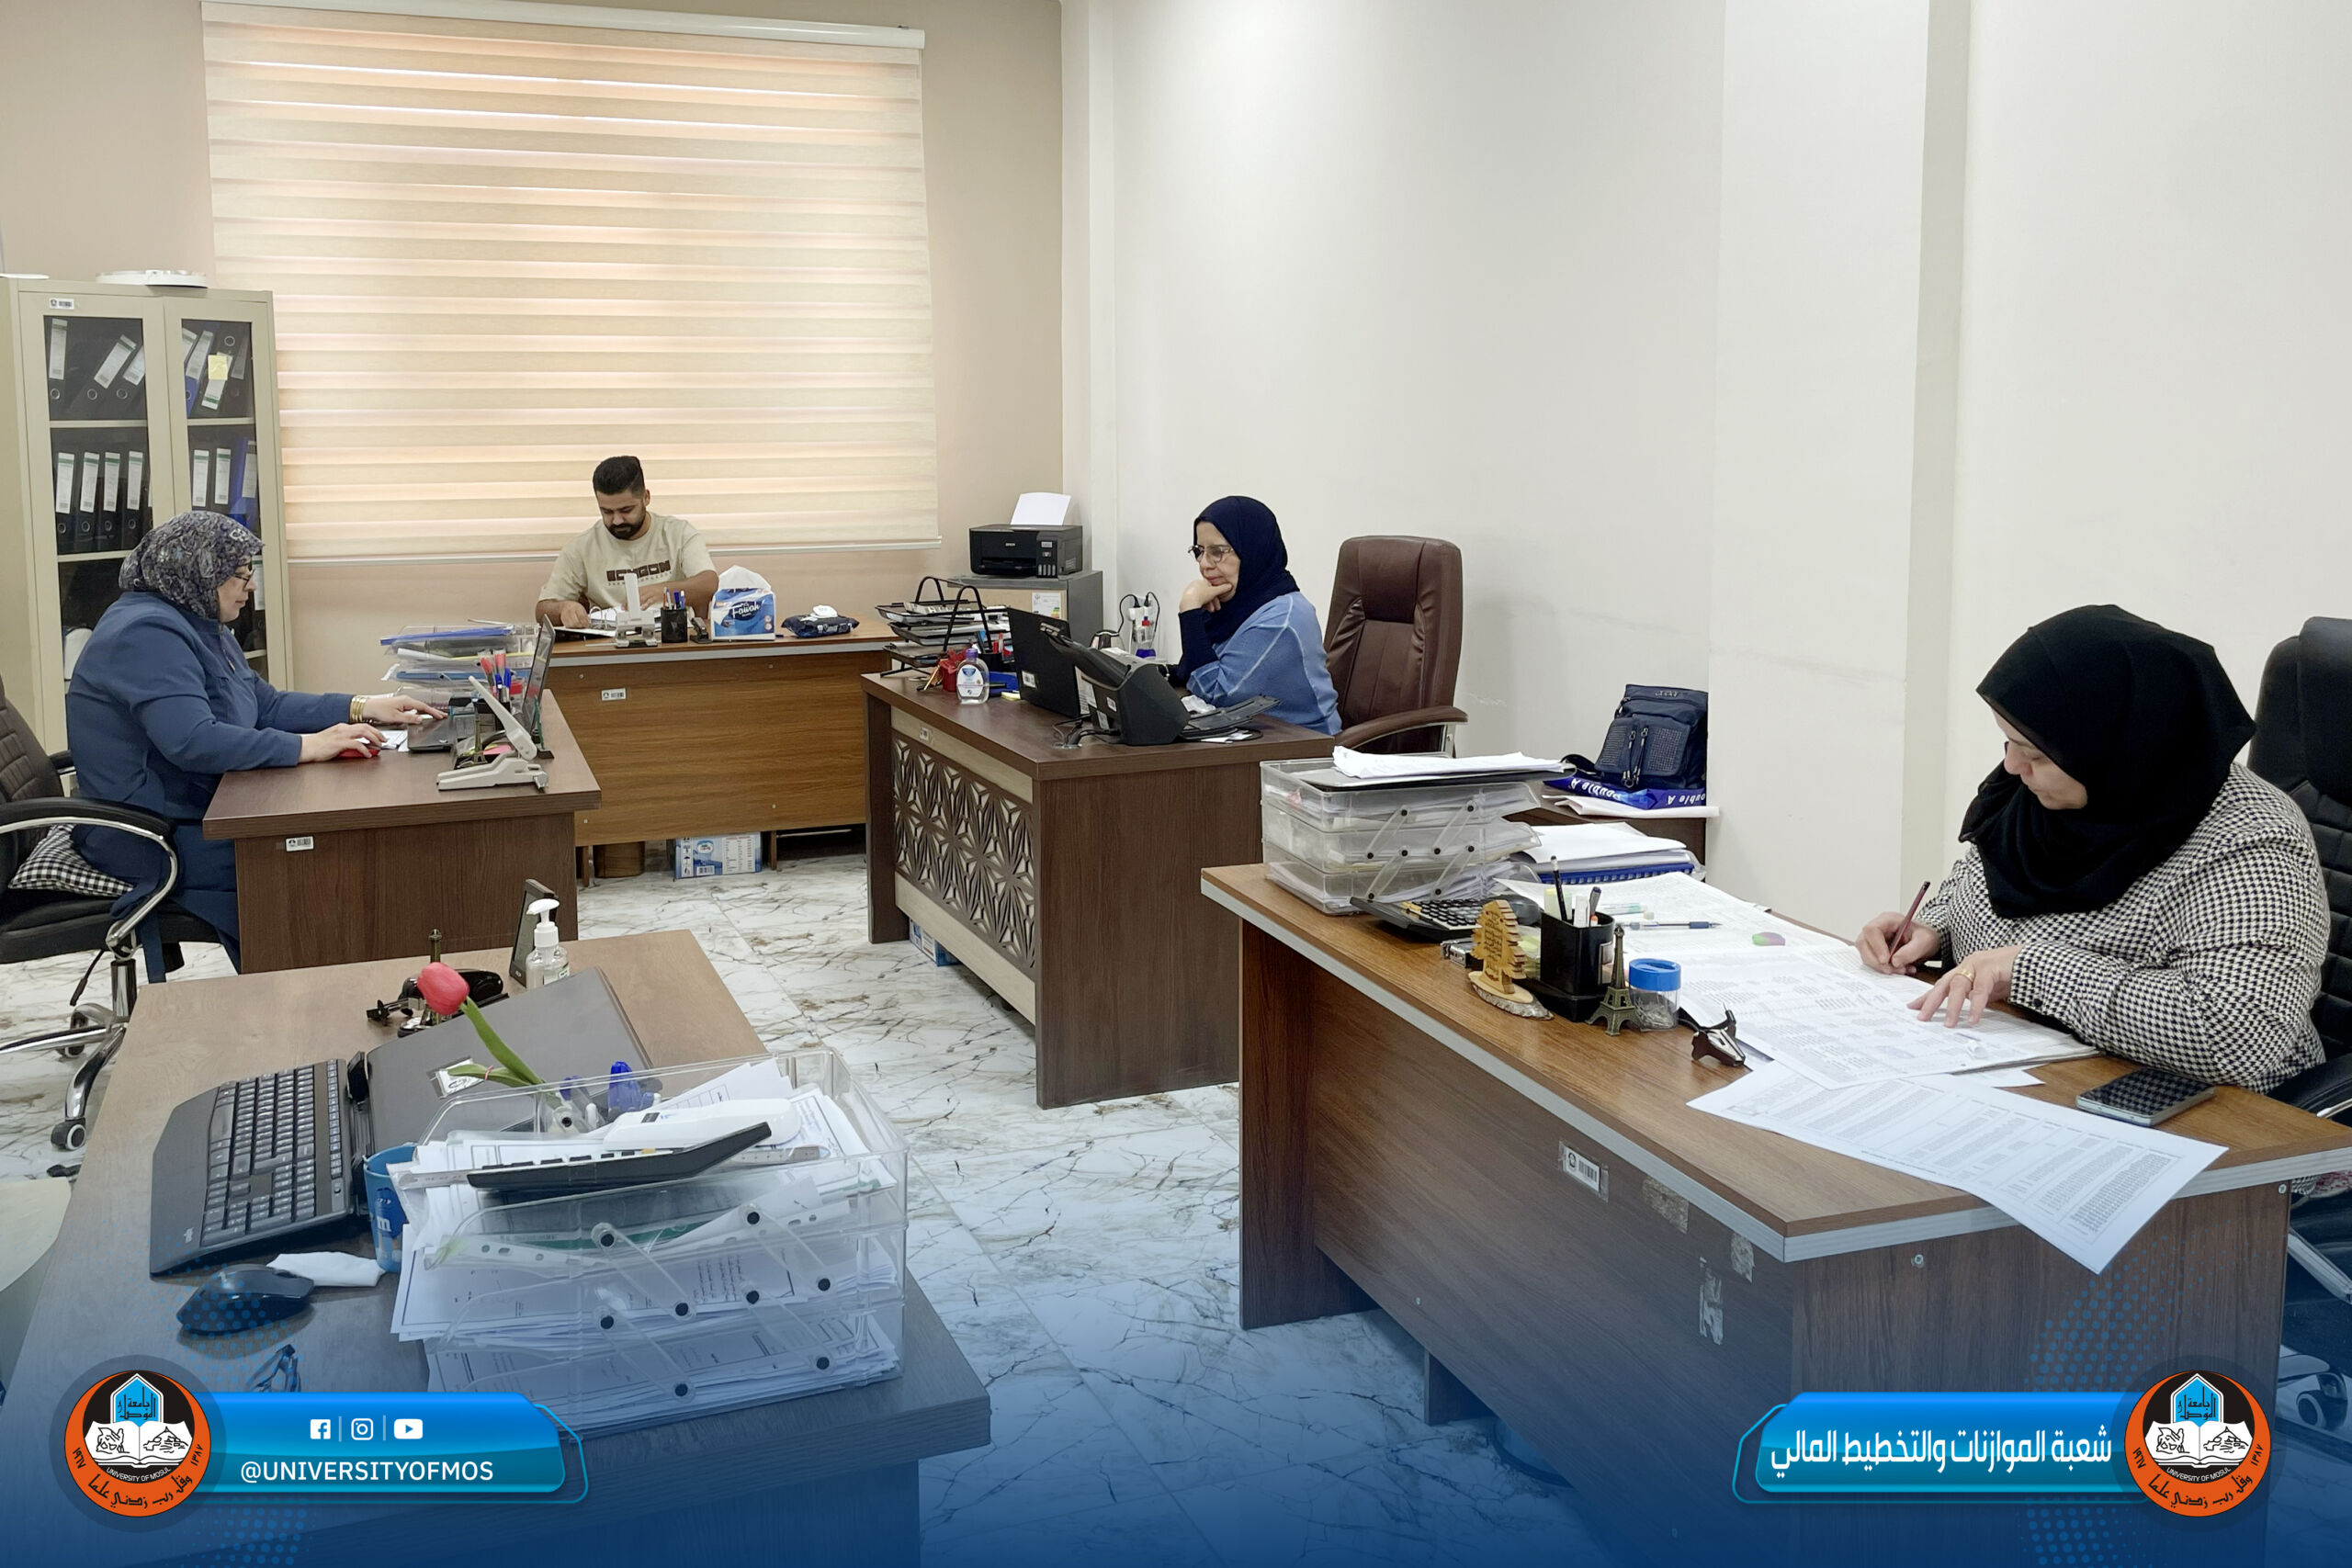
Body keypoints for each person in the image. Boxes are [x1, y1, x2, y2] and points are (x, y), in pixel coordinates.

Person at [1859, 604, 2328, 1090]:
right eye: (2008, 742)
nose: (2013, 766)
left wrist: (2031, 970)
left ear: (2120, 744)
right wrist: (1933, 929)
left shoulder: (2249, 838)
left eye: (2034, 752)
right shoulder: (2049, 788)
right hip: (2018, 1060)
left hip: (2197, 1105)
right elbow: (1982, 887)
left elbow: (2235, 1036)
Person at [66, 512, 442, 971]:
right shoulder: (146, 633)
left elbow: (265, 705)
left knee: (324, 848)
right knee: (303, 862)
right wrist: (306, 747)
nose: (251, 586)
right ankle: (300, 997)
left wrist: (362, 706)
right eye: (240, 575)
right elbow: (193, 741)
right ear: (199, 572)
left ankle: (337, 983)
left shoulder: (198, 621)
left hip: (201, 806)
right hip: (150, 832)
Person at [1169, 496, 1340, 734]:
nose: (1204, 564)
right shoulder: (1237, 606)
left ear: (1252, 550)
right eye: (1200, 551)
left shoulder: (1282, 619)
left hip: (1304, 745)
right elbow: (1194, 672)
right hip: (1252, 738)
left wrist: (1190, 614)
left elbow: (1216, 697)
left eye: (1217, 552)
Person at [534, 455, 718, 629]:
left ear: (646, 497)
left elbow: (709, 584)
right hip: (609, 643)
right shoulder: (581, 548)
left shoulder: (678, 533)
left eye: (626, 510)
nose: (617, 521)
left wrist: (662, 591)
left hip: (671, 637)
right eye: (607, 512)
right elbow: (542, 610)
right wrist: (563, 608)